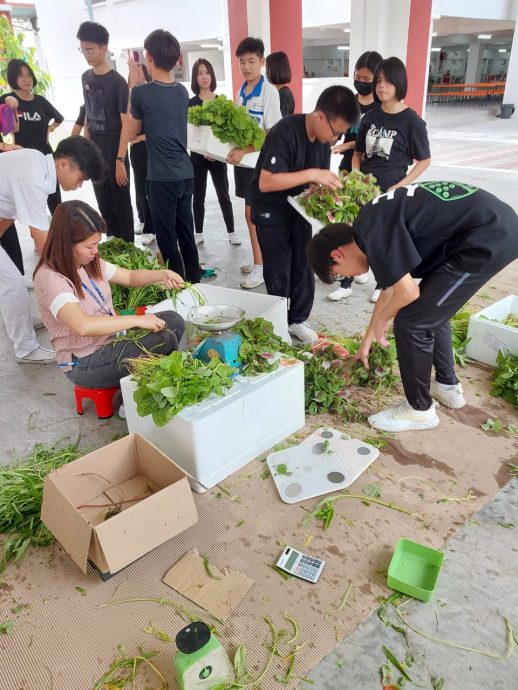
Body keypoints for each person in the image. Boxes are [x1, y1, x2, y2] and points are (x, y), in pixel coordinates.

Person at [306, 181, 518, 432]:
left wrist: (384, 322)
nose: (345, 277)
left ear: (337, 255)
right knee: (429, 310)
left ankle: (420, 410)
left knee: (412, 322)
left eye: (339, 275)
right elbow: (390, 290)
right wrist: (368, 341)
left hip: (486, 237)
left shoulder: (372, 231)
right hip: (487, 227)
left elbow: (408, 292)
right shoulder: (370, 226)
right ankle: (447, 386)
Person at [34, 201, 185, 388]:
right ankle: (137, 394)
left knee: (174, 320)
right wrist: (136, 320)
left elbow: (129, 277)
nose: (95, 251)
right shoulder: (50, 278)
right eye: (90, 247)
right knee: (164, 339)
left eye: (97, 244)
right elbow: (82, 325)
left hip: (112, 339)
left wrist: (162, 274)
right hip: (84, 360)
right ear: (67, 244)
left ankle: (143, 385)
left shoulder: (88, 262)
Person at [250, 86, 359, 344]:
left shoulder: (322, 141)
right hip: (270, 210)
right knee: (278, 270)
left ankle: (297, 319)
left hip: (299, 210)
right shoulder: (285, 131)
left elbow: (315, 183)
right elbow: (265, 182)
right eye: (336, 132)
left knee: (303, 262)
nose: (335, 139)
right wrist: (311, 175)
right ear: (321, 116)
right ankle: (277, 324)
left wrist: (329, 194)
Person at [0, 136, 104, 363]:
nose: (79, 185)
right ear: (63, 164)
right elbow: (42, 244)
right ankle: (26, 350)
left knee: (10, 280)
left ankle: (23, 321)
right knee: (12, 284)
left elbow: (6, 211)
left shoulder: (38, 164)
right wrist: (76, 268)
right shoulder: (33, 178)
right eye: (80, 178)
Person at [119, 30, 201, 283]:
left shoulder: (143, 93)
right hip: (185, 175)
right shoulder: (181, 92)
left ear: (149, 57)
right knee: (186, 235)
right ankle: (196, 287)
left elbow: (130, 128)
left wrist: (133, 84)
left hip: (162, 179)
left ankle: (179, 292)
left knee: (167, 241)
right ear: (177, 59)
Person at [328, 50, 383, 303]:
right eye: (357, 76)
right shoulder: (349, 102)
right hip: (348, 170)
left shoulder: (381, 107)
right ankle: (347, 280)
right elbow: (338, 131)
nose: (360, 81)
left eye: (366, 77)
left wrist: (350, 146)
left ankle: (381, 281)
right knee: (348, 225)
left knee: (375, 226)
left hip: (373, 173)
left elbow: (372, 144)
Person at [227, 37, 282, 290]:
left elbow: (271, 132)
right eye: (242, 62)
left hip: (258, 164)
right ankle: (259, 259)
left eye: (251, 61)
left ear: (262, 62)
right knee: (250, 215)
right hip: (244, 165)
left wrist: (246, 150)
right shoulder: (241, 91)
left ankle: (262, 267)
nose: (246, 66)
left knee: (254, 215)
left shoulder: (269, 92)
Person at [77, 21, 134, 242]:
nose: (86, 54)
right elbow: (88, 114)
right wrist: (86, 148)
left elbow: (126, 124)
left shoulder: (117, 82)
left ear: (104, 48)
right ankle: (112, 239)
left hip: (115, 146)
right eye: (83, 50)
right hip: (95, 148)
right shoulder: (85, 78)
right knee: (103, 199)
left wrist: (120, 159)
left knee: (121, 201)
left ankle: (127, 244)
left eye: (90, 50)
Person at [188, 58, 237, 247]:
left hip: (218, 157)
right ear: (195, 78)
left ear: (212, 76)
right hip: (197, 158)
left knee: (223, 194)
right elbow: (191, 134)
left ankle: (232, 232)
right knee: (197, 196)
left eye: (207, 72)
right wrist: (202, 150)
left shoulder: (221, 102)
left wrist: (216, 152)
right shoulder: (191, 103)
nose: (204, 77)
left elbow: (226, 134)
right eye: (200, 73)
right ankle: (198, 232)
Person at [127, 63, 155, 246]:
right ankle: (143, 219)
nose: (136, 77)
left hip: (149, 147)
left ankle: (151, 228)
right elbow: (128, 120)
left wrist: (143, 137)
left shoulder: (151, 96)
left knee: (148, 187)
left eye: (138, 74)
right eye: (132, 74)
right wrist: (131, 87)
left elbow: (159, 128)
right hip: (136, 149)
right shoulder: (132, 96)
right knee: (138, 185)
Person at [265, 51, 295, 116]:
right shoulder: (280, 92)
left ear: (275, 70)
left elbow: (279, 123)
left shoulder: (283, 95)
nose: (266, 73)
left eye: (267, 68)